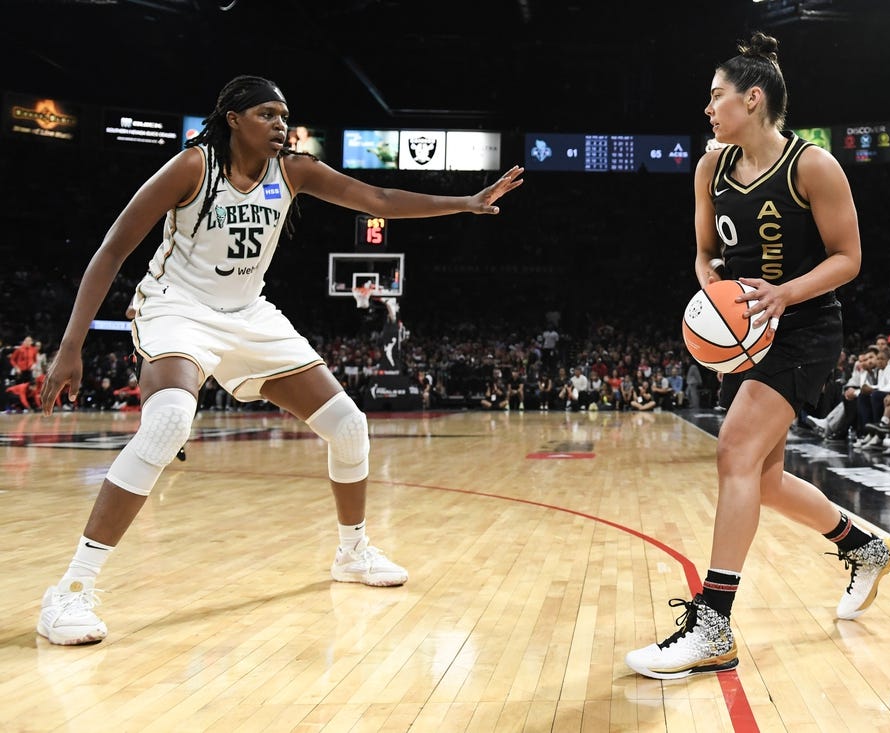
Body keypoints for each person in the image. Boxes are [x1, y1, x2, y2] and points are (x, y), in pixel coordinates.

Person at [35, 75, 524, 646]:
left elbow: (379, 201)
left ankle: (353, 551)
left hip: (249, 313)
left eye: (284, 115)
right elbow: (113, 248)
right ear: (233, 118)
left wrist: (465, 203)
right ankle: (70, 591)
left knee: (349, 426)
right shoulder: (193, 167)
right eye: (267, 113)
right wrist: (72, 346)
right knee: (168, 421)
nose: (280, 124)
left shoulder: (292, 171)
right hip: (179, 308)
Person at [624, 33, 890, 680]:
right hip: (746, 333)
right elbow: (701, 252)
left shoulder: (813, 165)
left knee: (733, 453)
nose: (708, 108)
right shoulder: (708, 168)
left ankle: (714, 624)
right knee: (765, 479)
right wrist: (713, 294)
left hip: (803, 326)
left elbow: (848, 259)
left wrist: (781, 294)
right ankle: (865, 548)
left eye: (716, 97)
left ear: (753, 100)